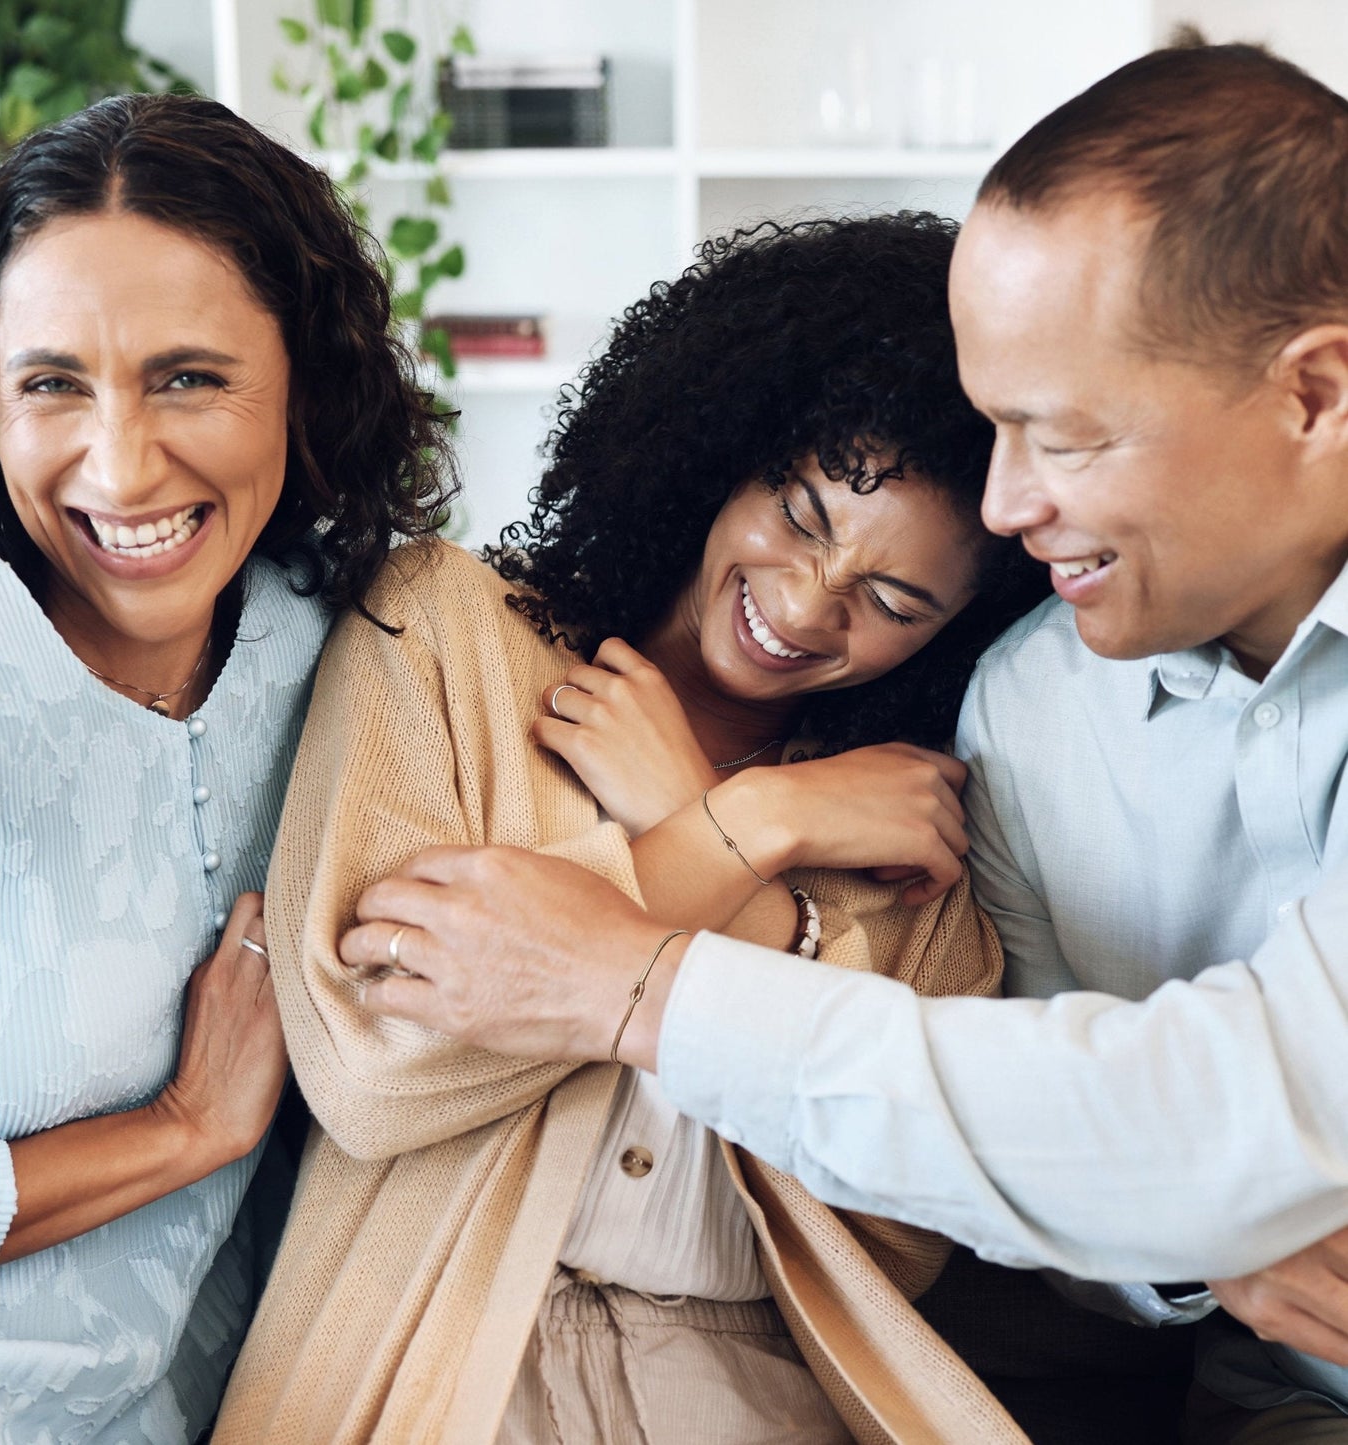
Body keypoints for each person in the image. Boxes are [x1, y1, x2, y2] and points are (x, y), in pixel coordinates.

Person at [338, 41, 1348, 1445]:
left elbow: (1201, 1113)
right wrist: (1187, 1234)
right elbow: (1036, 1125)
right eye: (994, 428)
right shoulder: (1036, 707)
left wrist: (639, 977)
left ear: (1315, 393)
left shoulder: (918, 783)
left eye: (1058, 436)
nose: (1002, 506)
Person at [215, 214, 1048, 1444]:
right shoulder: (449, 628)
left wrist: (717, 833)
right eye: (800, 513)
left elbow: (905, 1229)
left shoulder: (905, 810)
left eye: (890, 599)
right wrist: (748, 824)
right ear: (723, 446)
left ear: (950, 638)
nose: (806, 604)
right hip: (432, 1364)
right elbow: (372, 1065)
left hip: (756, 1392)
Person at [0, 93, 450, 1443]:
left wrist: (760, 820)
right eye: (53, 384)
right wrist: (184, 1127)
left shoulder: (335, 643)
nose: (120, 464)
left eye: (187, 377)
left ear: (304, 381)